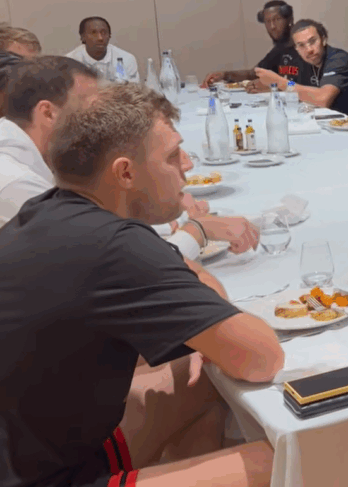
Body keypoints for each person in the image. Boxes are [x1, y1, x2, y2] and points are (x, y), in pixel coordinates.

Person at [0, 81, 282, 487]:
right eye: (172, 155)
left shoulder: (46, 210)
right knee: (289, 462)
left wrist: (209, 334)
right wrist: (216, 332)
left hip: (37, 455)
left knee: (203, 381)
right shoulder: (116, 246)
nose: (188, 164)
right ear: (126, 173)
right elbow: (262, 358)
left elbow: (186, 271)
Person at [0, 56, 260, 260]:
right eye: (88, 105)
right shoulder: (15, 182)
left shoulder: (27, 158)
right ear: (48, 113)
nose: (104, 116)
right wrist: (197, 230)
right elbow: (112, 266)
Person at [254, 18, 348, 117]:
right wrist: (273, 87)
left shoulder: (339, 60)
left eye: (312, 41)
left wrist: (278, 82)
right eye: (301, 45)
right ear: (296, 49)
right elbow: (297, 88)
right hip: (330, 124)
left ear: (323, 39)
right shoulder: (306, 62)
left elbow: (322, 99)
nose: (309, 50)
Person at [201, 0, 299, 89]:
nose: (272, 26)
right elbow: (254, 74)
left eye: (277, 19)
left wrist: (273, 87)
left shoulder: (302, 46)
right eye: (268, 21)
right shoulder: (280, 48)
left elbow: (303, 85)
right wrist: (224, 75)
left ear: (290, 20)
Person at [65, 17, 140, 82]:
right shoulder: (69, 62)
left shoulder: (126, 59)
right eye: (93, 33)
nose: (100, 38)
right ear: (82, 37)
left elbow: (133, 90)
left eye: (104, 33)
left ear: (109, 36)